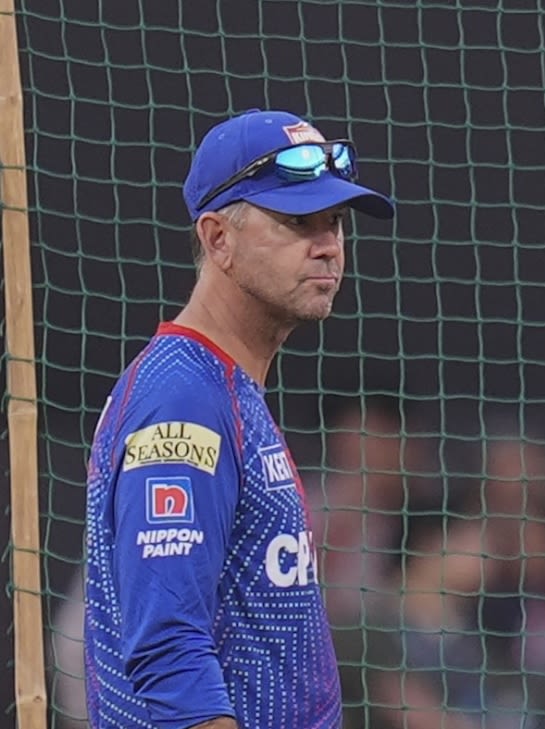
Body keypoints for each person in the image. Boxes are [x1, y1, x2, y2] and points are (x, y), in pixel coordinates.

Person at [81, 108, 395, 729]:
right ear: (218, 238)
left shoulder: (223, 385)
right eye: (297, 222)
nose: (328, 245)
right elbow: (169, 653)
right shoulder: (183, 399)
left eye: (334, 221)